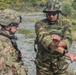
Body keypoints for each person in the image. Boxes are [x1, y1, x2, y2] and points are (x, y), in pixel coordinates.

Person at [34, 0, 76, 75]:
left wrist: (59, 43)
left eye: (54, 13)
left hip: (60, 65)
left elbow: (68, 39)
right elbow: (46, 40)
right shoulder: (39, 24)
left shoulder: (65, 24)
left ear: (58, 13)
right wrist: (66, 53)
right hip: (43, 66)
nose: (51, 16)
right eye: (49, 13)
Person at [0, 9, 27, 75]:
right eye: (16, 26)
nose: (17, 28)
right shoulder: (4, 43)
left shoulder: (7, 38)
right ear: (7, 26)